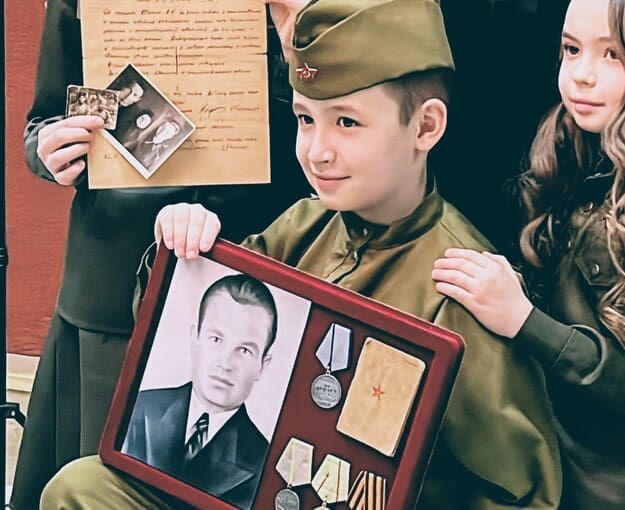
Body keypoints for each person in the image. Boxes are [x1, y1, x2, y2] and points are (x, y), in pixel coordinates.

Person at [39, 1, 561, 508]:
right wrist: (182, 255)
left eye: (347, 123)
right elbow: (179, 326)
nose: (317, 151)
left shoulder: (462, 282)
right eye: (306, 120)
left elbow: (521, 491)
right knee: (81, 486)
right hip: (255, 487)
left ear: (426, 127)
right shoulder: (304, 224)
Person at [9, 0, 309, 508]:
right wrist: (48, 148)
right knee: (94, 484)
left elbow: (337, 114)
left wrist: (296, 40)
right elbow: (46, 118)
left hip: (256, 257)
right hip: (113, 277)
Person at [432, 0, 625, 508]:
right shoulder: (575, 151)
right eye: (571, 49)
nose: (581, 74)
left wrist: (524, 320)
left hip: (617, 486)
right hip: (553, 453)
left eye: (613, 55)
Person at [122, 274, 277, 509]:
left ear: (262, 365)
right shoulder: (142, 407)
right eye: (216, 339)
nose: (225, 363)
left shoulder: (262, 461)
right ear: (195, 340)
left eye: (244, 350)